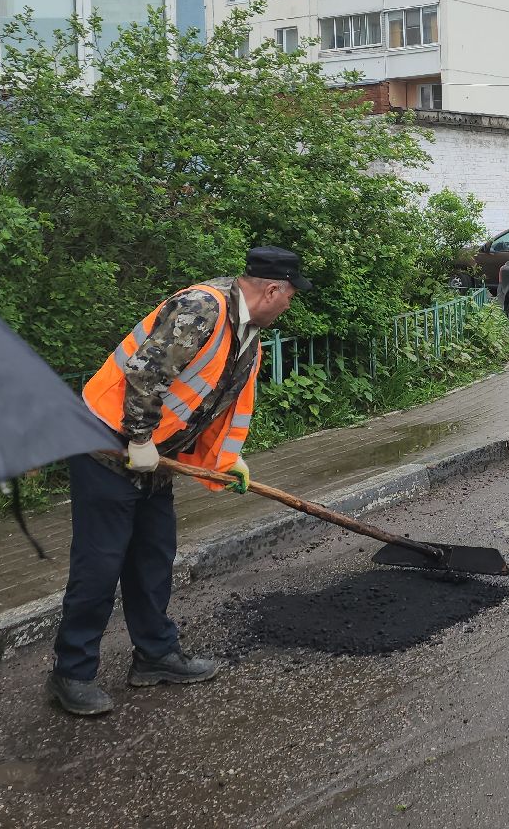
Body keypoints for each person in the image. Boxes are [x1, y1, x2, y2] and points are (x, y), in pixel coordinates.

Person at [47, 247, 311, 716]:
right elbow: (146, 372)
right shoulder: (202, 309)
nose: (289, 306)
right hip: (106, 446)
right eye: (289, 296)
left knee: (154, 556)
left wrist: (228, 460)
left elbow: (214, 403)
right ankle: (72, 672)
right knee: (100, 564)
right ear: (273, 289)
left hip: (153, 458)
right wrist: (140, 437)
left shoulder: (246, 332)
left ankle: (154, 655)